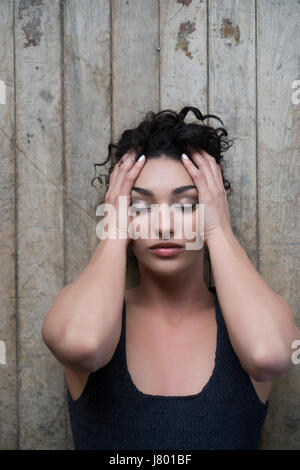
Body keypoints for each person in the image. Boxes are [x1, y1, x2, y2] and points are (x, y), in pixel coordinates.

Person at [41, 107, 300, 450]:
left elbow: (270, 355)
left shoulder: (252, 322)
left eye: (187, 204)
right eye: (141, 206)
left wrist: (219, 230)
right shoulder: (83, 312)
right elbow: (83, 345)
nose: (164, 226)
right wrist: (115, 231)